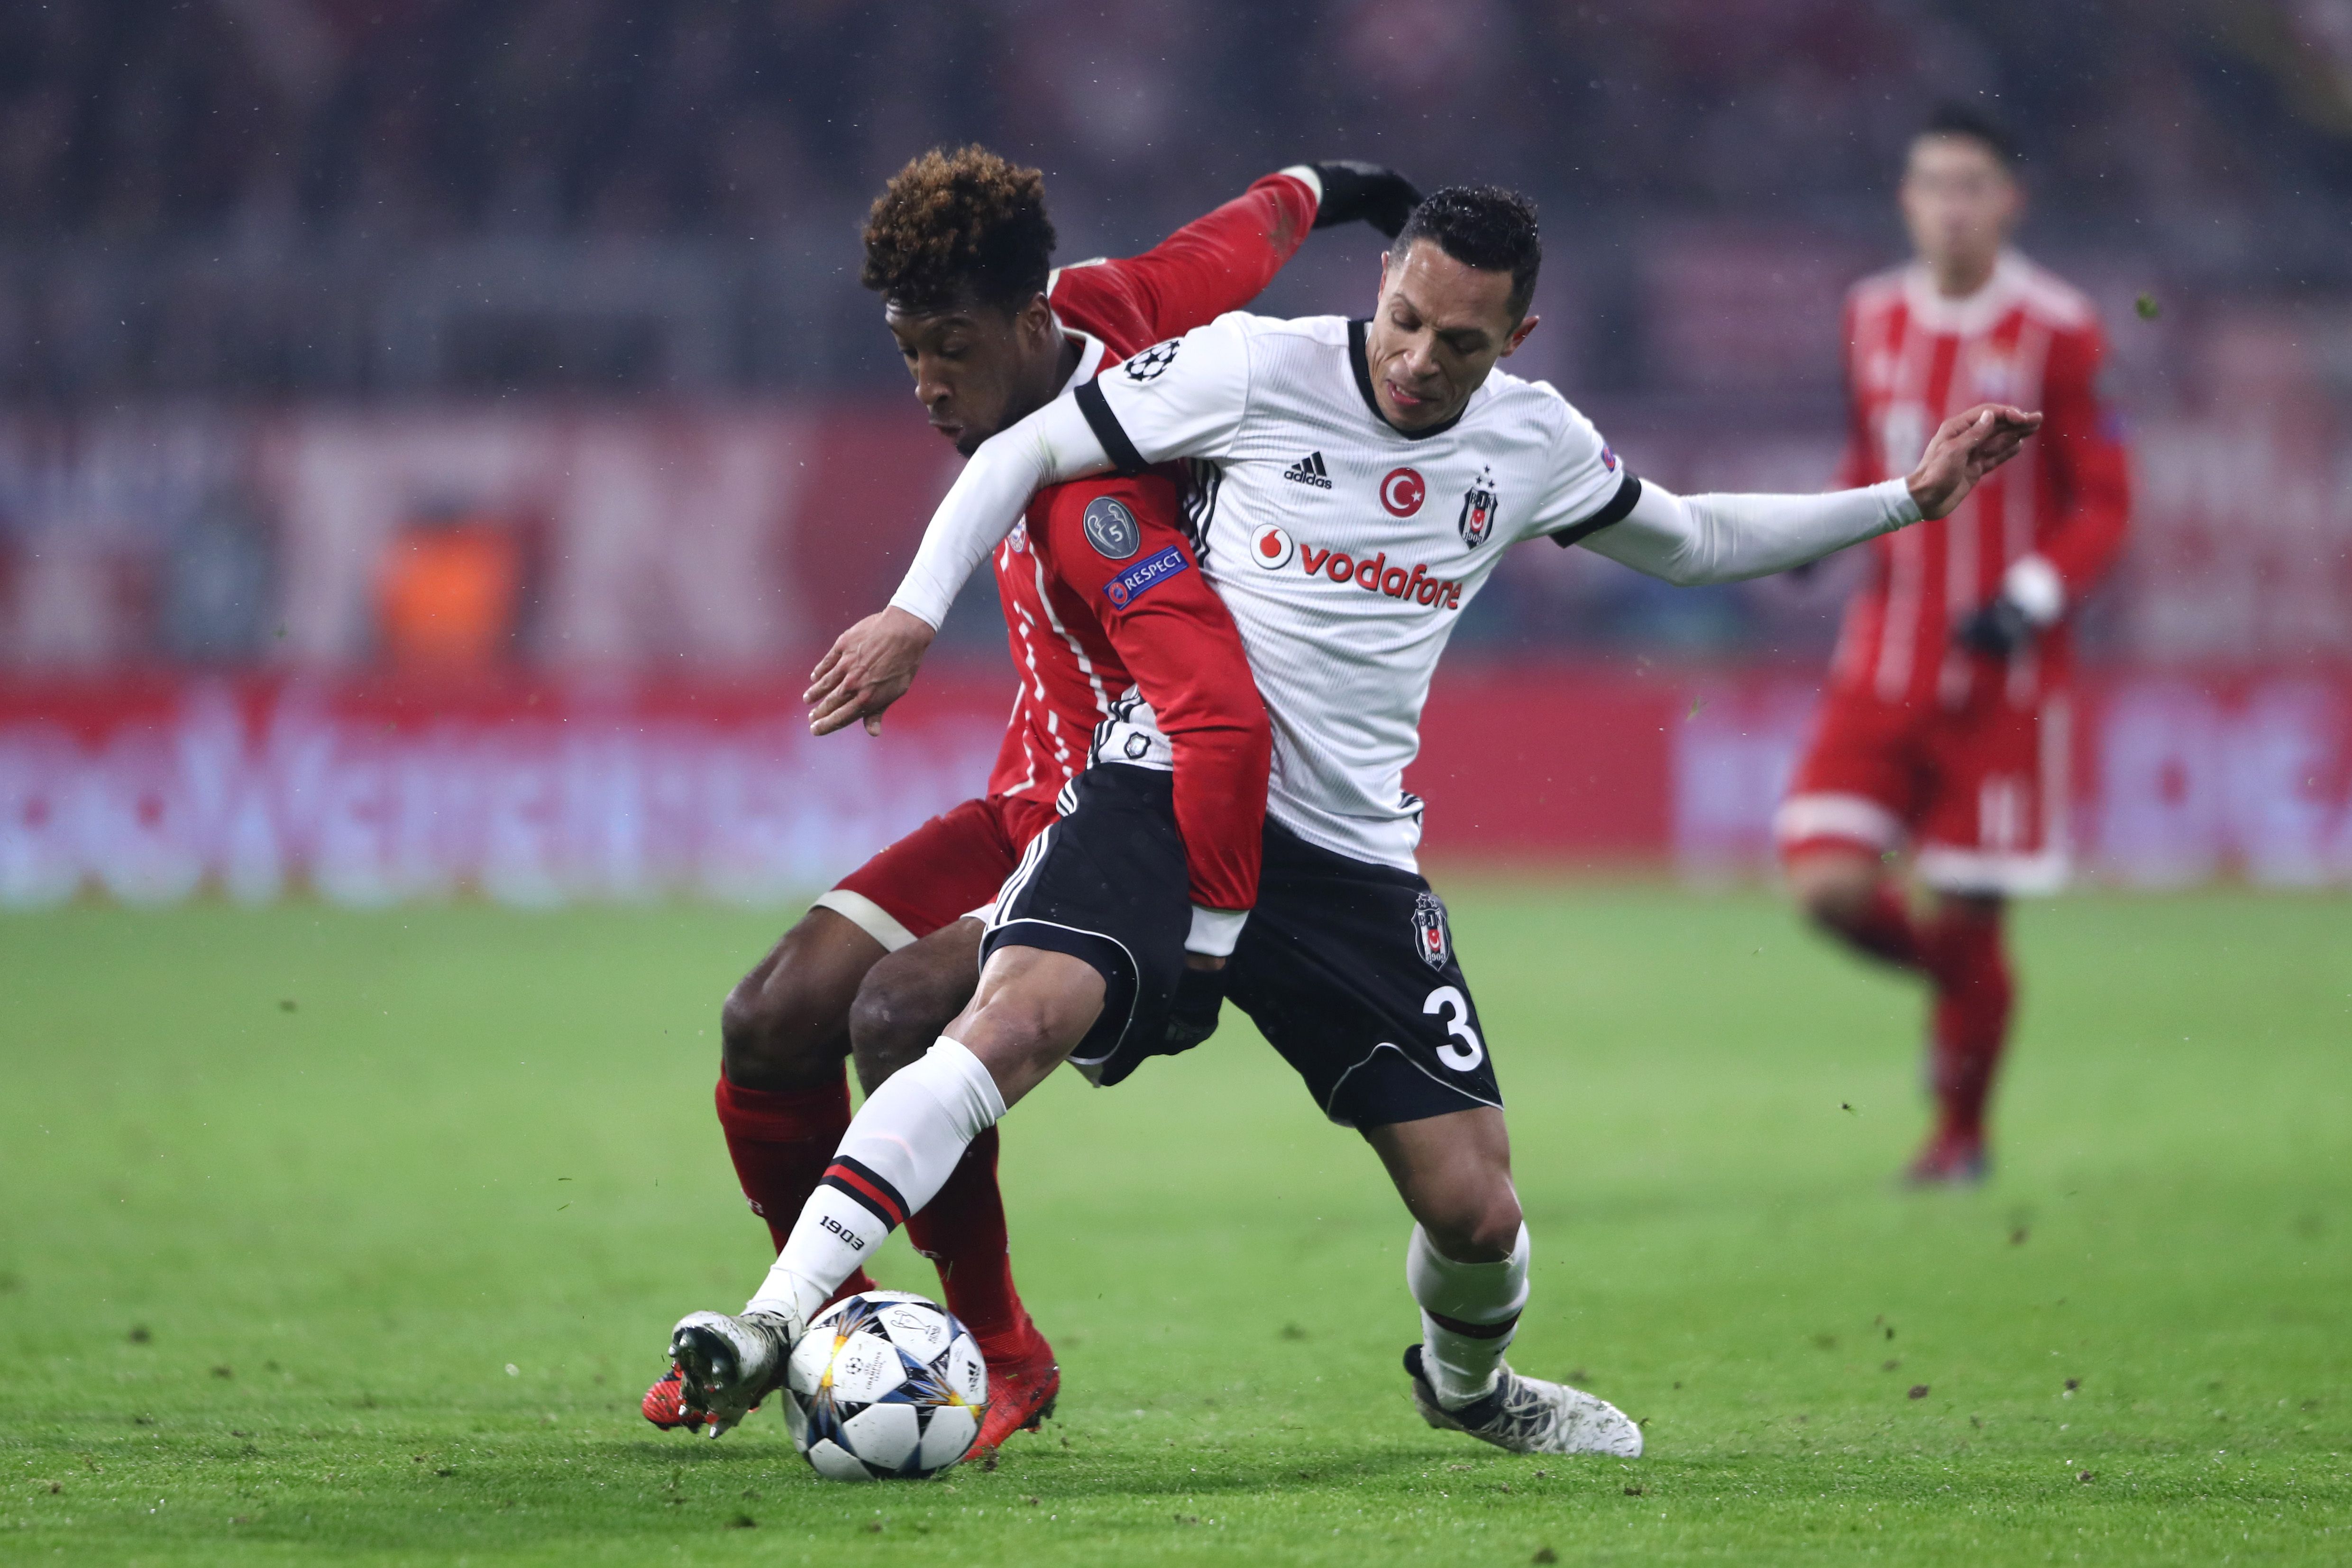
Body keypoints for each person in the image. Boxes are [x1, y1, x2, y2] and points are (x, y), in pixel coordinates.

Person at [670, 183, 2039, 1459]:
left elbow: (1688, 539)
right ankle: (776, 1320)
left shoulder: (1535, 441)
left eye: (1460, 341)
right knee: (1002, 1018)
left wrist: (1907, 501)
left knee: (1475, 1208)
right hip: (1162, 786)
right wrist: (918, 608)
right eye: (1403, 320)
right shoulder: (1259, 369)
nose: (1420, 361)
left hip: (1348, 858)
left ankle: (1469, 1389)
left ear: (1517, 335)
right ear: (1378, 284)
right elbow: (1029, 444)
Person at [643, 146, 1423, 1452]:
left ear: (1024, 322)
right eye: (906, 353)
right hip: (1021, 792)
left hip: (1118, 823)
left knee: (895, 1013)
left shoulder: (1107, 492)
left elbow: (1211, 706)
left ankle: (1000, 1351)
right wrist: (1360, 189)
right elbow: (1249, 229)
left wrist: (1209, 928)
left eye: (949, 347)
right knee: (770, 1016)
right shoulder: (1111, 299)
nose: (928, 383)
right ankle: (831, 1330)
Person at [1774, 106, 2131, 1184]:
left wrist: (2027, 595)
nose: (1953, 206)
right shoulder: (1871, 315)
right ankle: (1964, 993)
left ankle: (1959, 1139)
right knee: (1826, 885)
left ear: (2007, 201)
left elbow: (2104, 501)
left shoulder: (2061, 329)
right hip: (1880, 660)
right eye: (1935, 184)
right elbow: (1865, 456)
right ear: (1907, 200)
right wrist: (1806, 534)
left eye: (1973, 185)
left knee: (1975, 912)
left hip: (2002, 680)